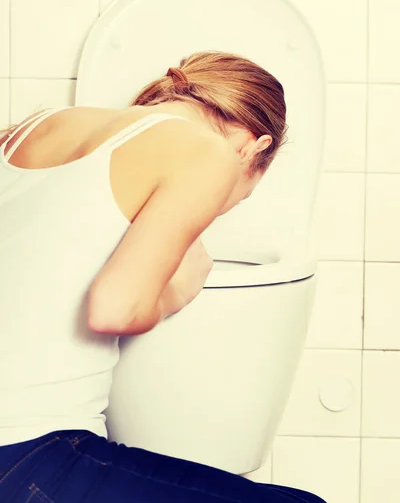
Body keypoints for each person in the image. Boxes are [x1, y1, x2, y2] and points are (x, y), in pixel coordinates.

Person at [0, 51, 325, 502]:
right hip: (28, 450)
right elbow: (114, 308)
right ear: (254, 146)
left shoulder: (35, 127)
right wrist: (177, 289)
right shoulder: (208, 151)